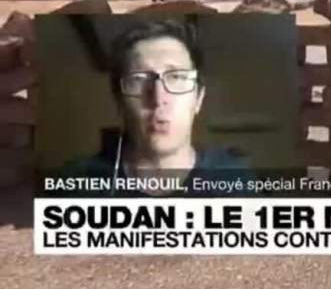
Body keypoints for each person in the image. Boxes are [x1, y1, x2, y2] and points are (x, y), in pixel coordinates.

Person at [57, 20, 253, 196]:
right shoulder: (74, 186)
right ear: (119, 101)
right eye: (139, 79)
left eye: (176, 77)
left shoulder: (238, 184)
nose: (158, 98)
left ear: (198, 99)